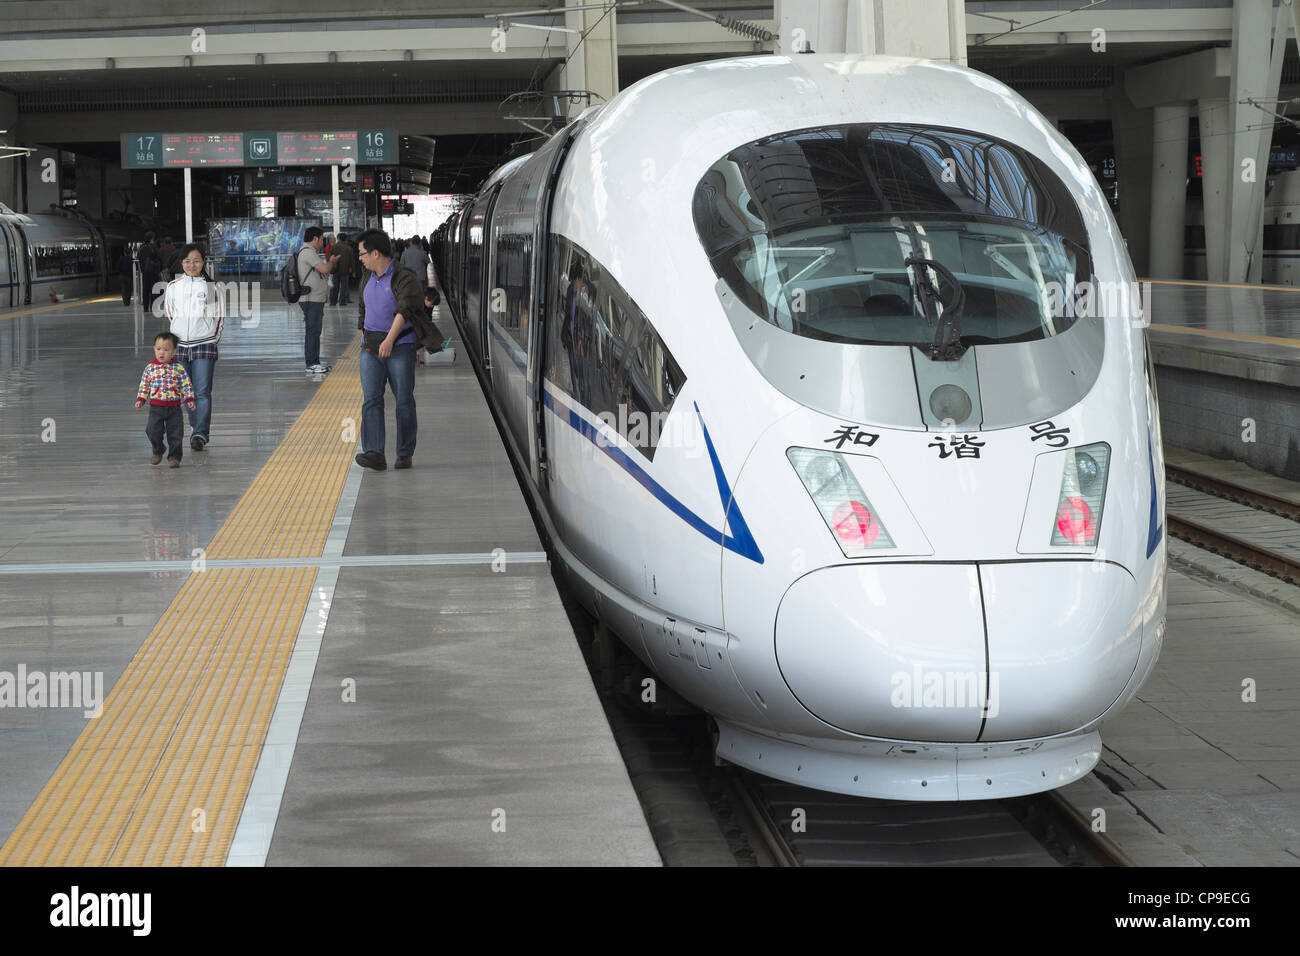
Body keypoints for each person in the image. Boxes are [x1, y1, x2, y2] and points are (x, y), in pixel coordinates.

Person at [354, 229, 447, 471]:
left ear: (376, 253)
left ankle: (404, 453)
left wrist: (389, 340)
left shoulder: (404, 277)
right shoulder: (367, 276)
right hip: (371, 348)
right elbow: (363, 307)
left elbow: (405, 310)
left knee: (403, 400)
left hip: (399, 347)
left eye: (362, 253)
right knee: (371, 400)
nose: (360, 258)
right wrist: (363, 331)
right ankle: (374, 452)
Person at [164, 243, 223, 451]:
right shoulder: (172, 287)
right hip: (180, 346)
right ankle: (195, 425)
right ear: (181, 263)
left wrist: (211, 339)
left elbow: (218, 317)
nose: (192, 265)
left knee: (203, 391)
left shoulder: (211, 287)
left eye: (196, 260)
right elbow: (171, 313)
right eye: (187, 261)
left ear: (203, 263)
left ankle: (200, 433)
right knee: (185, 392)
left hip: (204, 345)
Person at [136, 331, 196, 468]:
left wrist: (189, 399)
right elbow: (144, 385)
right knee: (152, 430)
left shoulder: (178, 368)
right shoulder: (150, 368)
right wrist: (141, 398)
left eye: (166, 349)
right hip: (156, 407)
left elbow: (186, 385)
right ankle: (158, 450)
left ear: (174, 351)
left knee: (176, 434)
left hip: (174, 408)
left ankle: (175, 457)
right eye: (158, 349)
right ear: (154, 349)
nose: (161, 353)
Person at [296, 227, 339, 375]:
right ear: (315, 239)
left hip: (313, 298)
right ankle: (312, 363)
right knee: (313, 331)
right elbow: (325, 269)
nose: (322, 242)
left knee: (314, 331)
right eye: (321, 239)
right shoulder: (308, 252)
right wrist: (332, 261)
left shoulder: (308, 252)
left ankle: (314, 362)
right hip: (311, 298)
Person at [139, 233, 162, 313]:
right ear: (151, 239)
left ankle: (145, 308)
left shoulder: (141, 248)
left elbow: (139, 258)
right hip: (153, 272)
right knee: (153, 290)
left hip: (145, 272)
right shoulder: (153, 247)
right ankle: (152, 306)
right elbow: (159, 257)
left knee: (145, 290)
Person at [330, 233, 355, 307]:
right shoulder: (349, 248)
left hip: (335, 269)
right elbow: (352, 260)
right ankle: (342, 302)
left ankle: (333, 301)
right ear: (346, 239)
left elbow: (330, 257)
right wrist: (353, 271)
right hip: (345, 270)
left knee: (335, 286)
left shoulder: (334, 247)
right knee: (344, 286)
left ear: (338, 238)